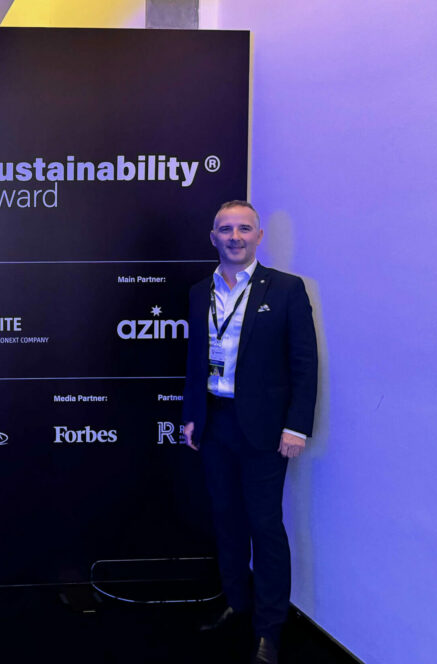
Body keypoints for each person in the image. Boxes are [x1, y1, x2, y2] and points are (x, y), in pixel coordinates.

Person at [181, 201, 318, 664]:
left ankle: (269, 629)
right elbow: (196, 359)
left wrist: (296, 426)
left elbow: (304, 363)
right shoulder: (199, 292)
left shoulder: (286, 289)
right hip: (215, 422)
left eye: (244, 228)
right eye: (226, 229)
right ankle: (236, 603)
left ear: (259, 236)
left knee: (265, 526)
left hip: (265, 430)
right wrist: (192, 414)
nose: (235, 236)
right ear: (213, 237)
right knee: (227, 520)